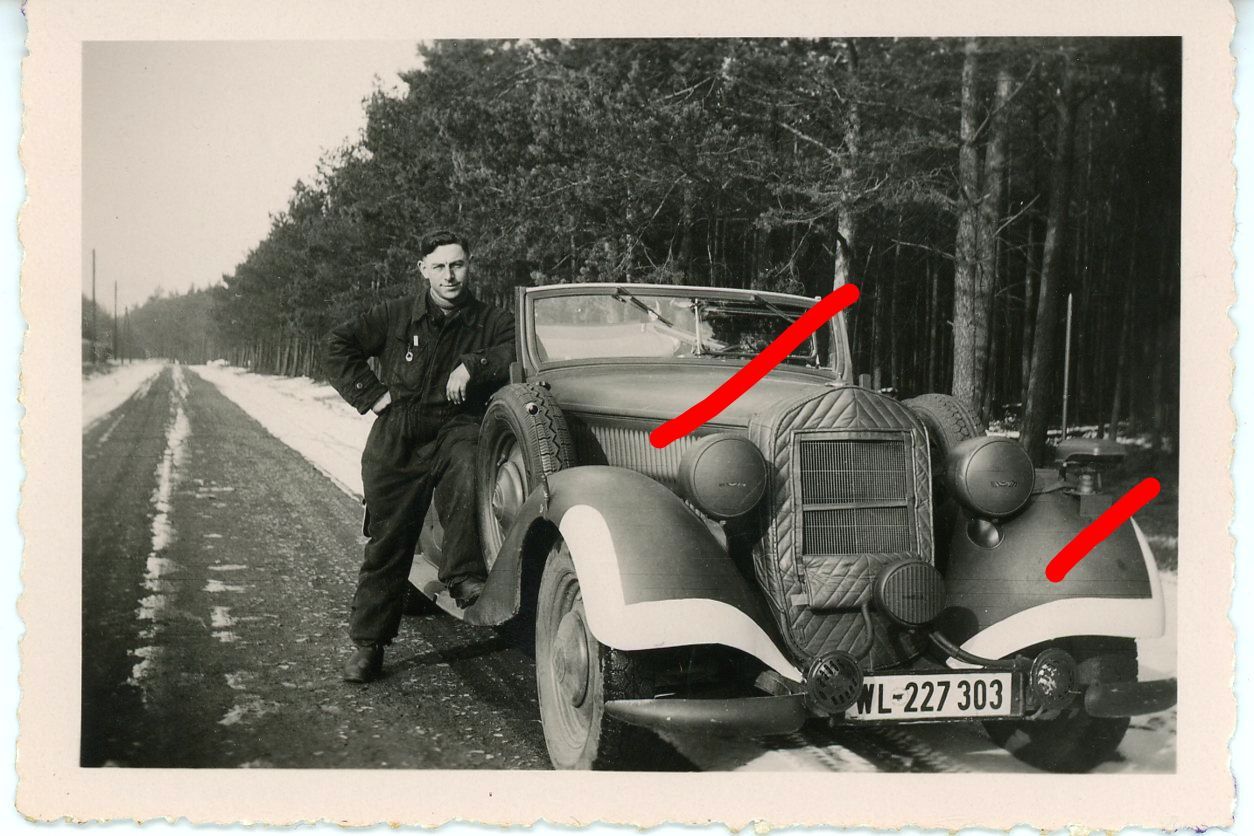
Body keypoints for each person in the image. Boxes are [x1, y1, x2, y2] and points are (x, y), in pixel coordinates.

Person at [324, 230, 514, 683]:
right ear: (423, 270)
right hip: (400, 432)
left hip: (457, 425)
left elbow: (516, 350)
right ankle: (368, 645)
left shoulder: (490, 320)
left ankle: (463, 576)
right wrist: (371, 394)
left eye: (458, 265)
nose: (450, 276)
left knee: (469, 467)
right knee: (388, 540)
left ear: (469, 266)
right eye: (440, 267)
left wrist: (474, 364)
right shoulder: (395, 316)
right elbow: (336, 345)